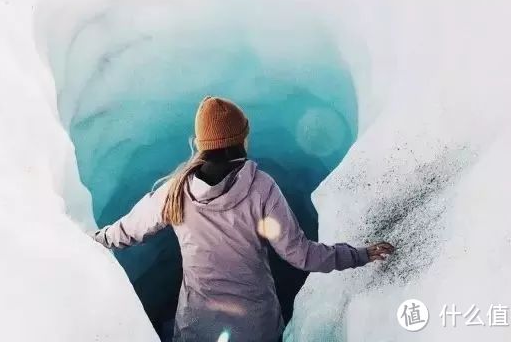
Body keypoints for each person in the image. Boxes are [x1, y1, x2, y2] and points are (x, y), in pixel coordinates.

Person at [93, 96, 395, 342]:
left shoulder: (176, 191)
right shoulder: (261, 189)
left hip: (196, 330)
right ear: (241, 139)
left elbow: (128, 231)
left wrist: (95, 240)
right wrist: (359, 255)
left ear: (203, 143)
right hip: (257, 329)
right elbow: (301, 255)